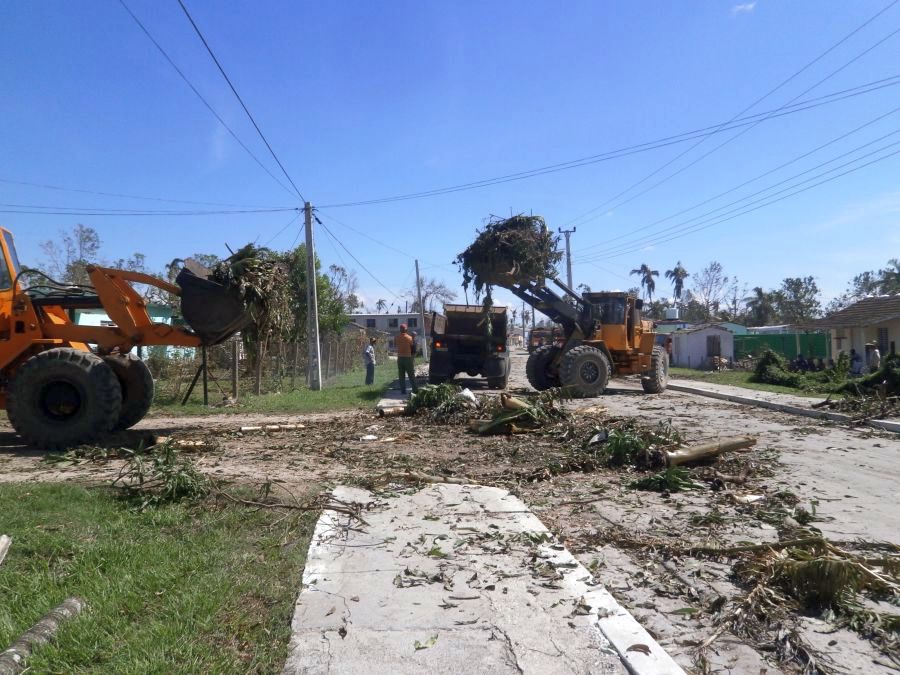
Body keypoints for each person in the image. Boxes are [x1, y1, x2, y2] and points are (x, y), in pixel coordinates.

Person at [395, 324, 418, 395]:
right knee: (411, 375)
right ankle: (415, 390)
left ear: (400, 330)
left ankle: (403, 391)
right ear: (406, 330)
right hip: (408, 358)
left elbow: (395, 344)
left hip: (400, 358)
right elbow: (412, 346)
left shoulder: (396, 338)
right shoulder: (409, 338)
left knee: (401, 376)